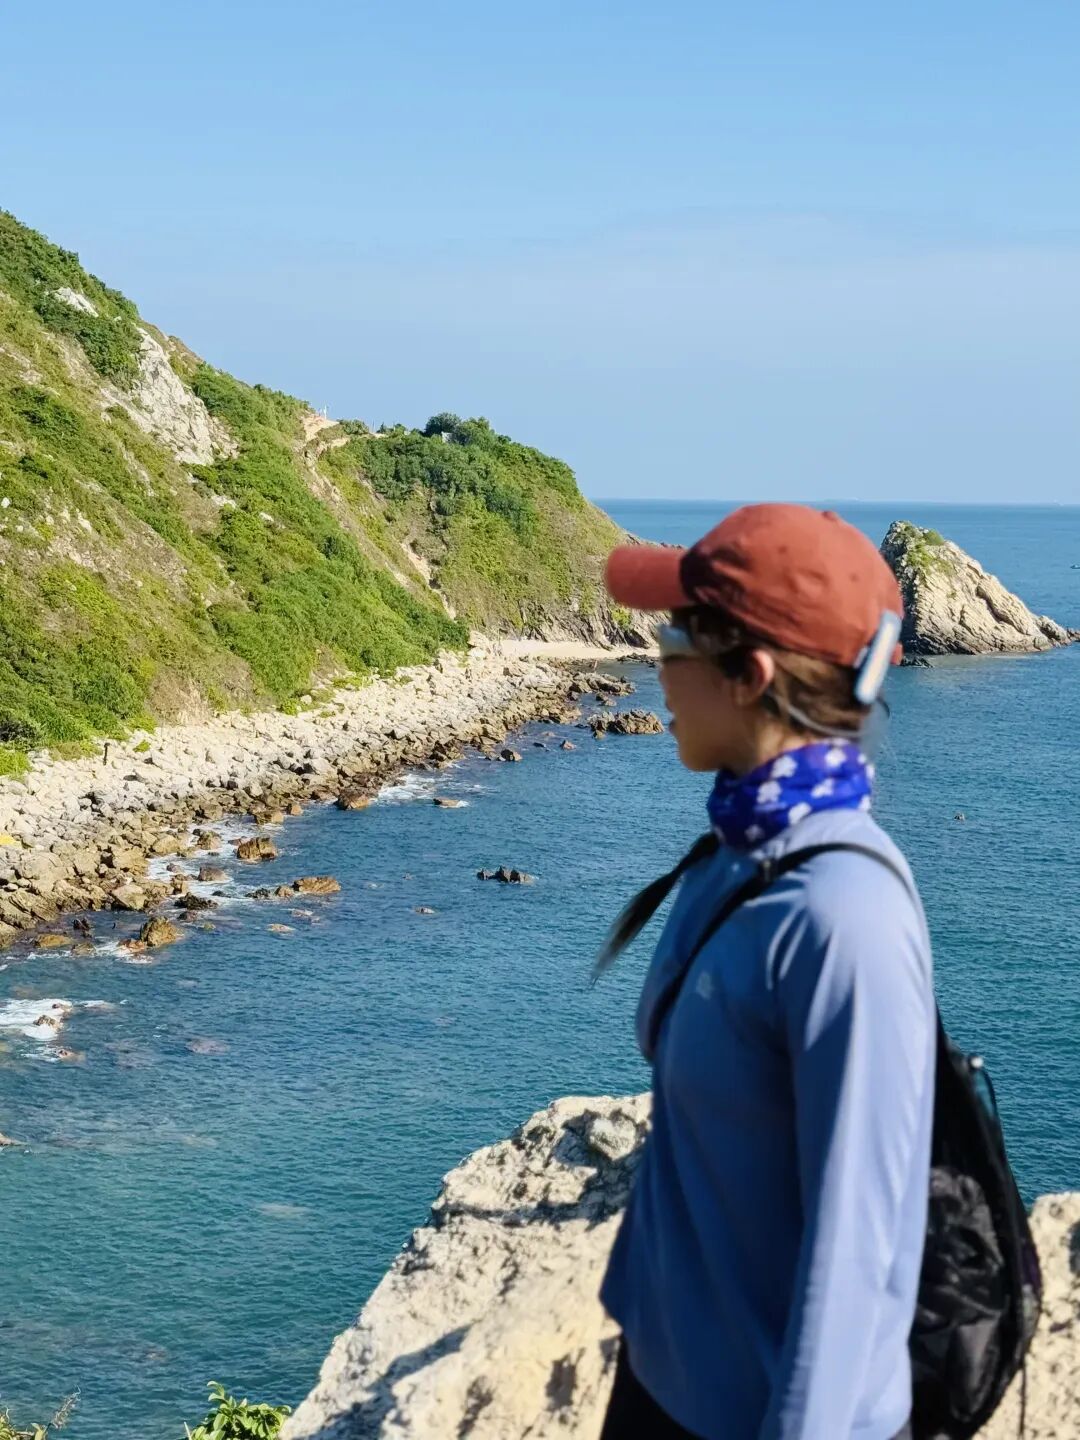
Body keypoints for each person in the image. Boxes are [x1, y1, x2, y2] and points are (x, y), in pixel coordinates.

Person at [596, 504, 935, 1440]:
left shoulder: (843, 917)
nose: (654, 667)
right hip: (663, 1380)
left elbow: (857, 1256)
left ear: (748, 675)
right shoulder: (737, 850)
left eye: (672, 640)